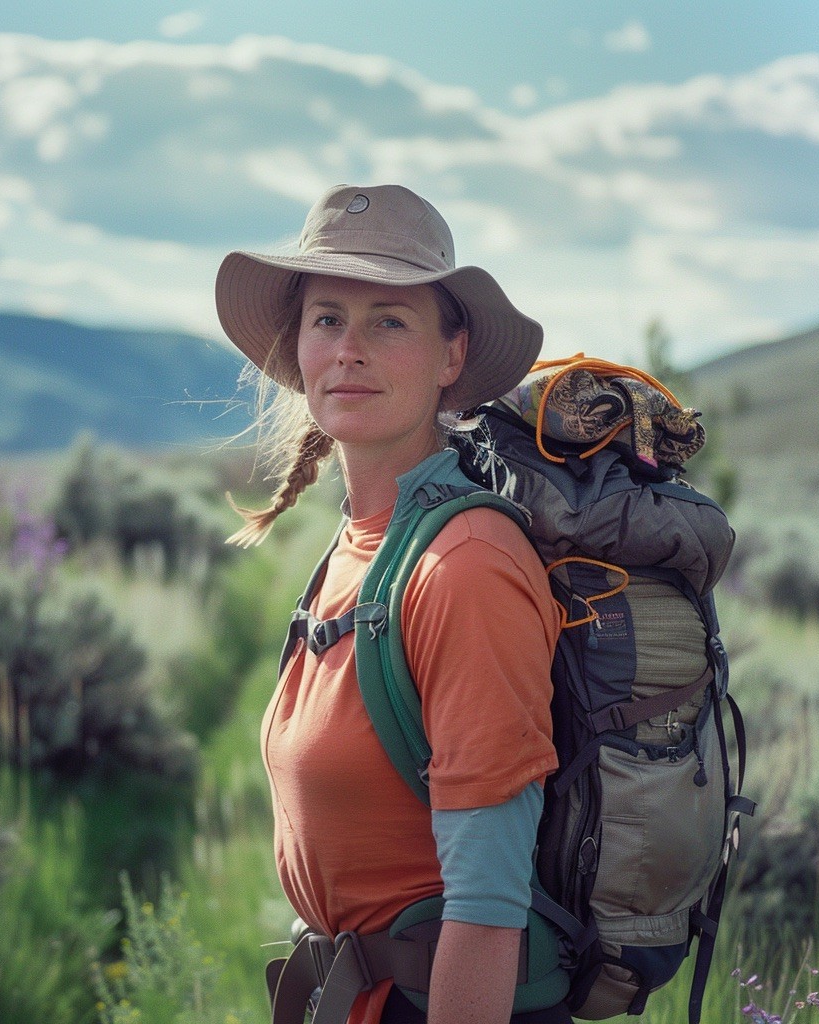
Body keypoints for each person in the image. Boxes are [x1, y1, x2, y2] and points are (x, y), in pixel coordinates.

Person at [214, 184, 569, 1024]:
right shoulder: (362, 543)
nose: (350, 350)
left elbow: (486, 909)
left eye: (390, 321)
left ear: (452, 358)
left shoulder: (465, 566)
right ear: (298, 346)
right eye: (328, 318)